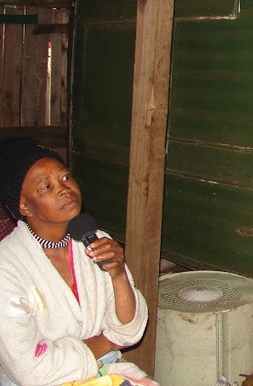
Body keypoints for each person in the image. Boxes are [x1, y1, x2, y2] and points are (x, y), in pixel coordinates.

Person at [0, 137, 157, 386]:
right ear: (23, 205)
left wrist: (118, 275)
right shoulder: (7, 266)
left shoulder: (95, 241)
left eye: (65, 178)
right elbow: (30, 369)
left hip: (103, 370)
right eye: (46, 187)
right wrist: (106, 342)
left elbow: (129, 331)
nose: (64, 189)